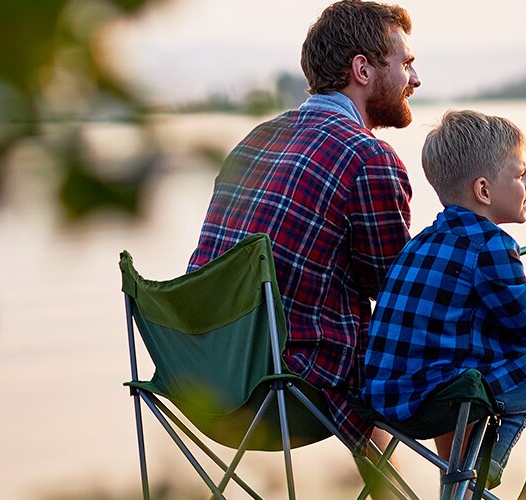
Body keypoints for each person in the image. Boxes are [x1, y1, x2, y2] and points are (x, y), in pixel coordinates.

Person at [186, 0, 419, 463]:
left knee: (351, 334)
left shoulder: (255, 139)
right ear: (363, 69)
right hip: (286, 391)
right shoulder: (369, 158)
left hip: (206, 379)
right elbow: (399, 299)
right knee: (461, 347)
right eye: (406, 64)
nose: (415, 80)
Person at [361, 110, 526, 500]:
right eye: (521, 175)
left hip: (388, 401)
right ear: (484, 191)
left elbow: (488, 321)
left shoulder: (420, 242)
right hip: (445, 401)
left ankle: (488, 463)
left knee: (522, 345)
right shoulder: (492, 246)